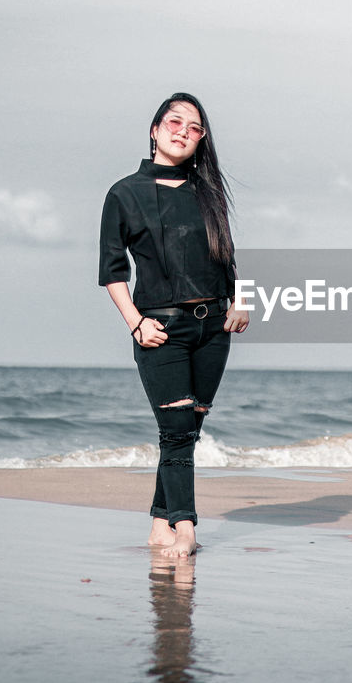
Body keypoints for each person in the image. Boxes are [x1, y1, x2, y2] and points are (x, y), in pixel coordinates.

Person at [99, 92, 249, 557]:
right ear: (154, 130)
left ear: (202, 141)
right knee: (178, 433)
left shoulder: (208, 192)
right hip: (160, 330)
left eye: (195, 127)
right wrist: (135, 323)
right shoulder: (124, 193)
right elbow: (112, 269)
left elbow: (226, 255)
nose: (184, 131)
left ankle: (159, 525)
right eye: (175, 122)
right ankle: (185, 528)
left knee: (187, 433)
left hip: (213, 330)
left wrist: (241, 299)